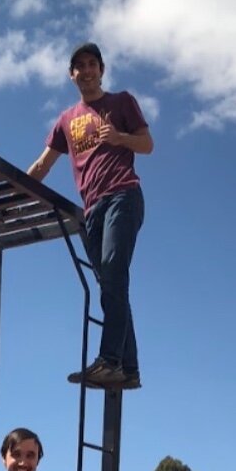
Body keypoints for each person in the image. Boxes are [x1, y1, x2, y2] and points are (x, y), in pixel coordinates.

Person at [27, 42, 154, 391]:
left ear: (101, 69)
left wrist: (119, 137)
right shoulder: (66, 119)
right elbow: (43, 164)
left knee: (114, 271)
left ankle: (109, 360)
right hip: (92, 208)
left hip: (123, 195)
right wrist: (12, 193)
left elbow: (147, 144)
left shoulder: (121, 102)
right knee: (110, 286)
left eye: (92, 64)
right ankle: (129, 368)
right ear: (72, 75)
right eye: (79, 66)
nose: (86, 70)